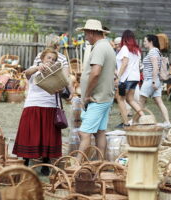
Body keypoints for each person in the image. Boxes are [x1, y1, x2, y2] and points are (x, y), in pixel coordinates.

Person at [12, 48, 63, 176]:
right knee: (30, 134)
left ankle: (46, 163)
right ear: (42, 58)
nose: (51, 61)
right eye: (49, 58)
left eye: (53, 59)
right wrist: (38, 68)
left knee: (47, 135)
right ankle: (25, 161)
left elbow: (62, 90)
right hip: (33, 104)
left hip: (50, 105)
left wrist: (59, 88)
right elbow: (26, 73)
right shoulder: (34, 69)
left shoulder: (56, 72)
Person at [75, 19, 116, 161]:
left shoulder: (99, 47)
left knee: (84, 133)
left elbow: (96, 72)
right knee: (99, 132)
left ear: (92, 33)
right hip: (105, 97)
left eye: (86, 34)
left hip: (97, 98)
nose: (85, 37)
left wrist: (86, 95)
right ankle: (100, 163)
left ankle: (76, 166)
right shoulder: (107, 46)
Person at [139, 34, 171, 128]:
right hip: (155, 80)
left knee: (141, 101)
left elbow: (155, 67)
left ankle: (136, 120)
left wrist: (153, 82)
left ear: (150, 41)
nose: (144, 43)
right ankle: (167, 122)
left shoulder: (153, 51)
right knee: (159, 101)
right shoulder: (157, 51)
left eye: (145, 41)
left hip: (150, 80)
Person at [115, 30, 144, 128]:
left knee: (120, 99)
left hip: (126, 78)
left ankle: (126, 123)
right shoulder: (137, 50)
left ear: (124, 38)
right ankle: (144, 118)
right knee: (130, 99)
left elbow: (125, 62)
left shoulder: (124, 48)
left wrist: (118, 77)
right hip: (135, 78)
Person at [33, 34, 73, 98]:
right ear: (57, 46)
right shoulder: (62, 58)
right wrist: (71, 92)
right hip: (56, 89)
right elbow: (66, 76)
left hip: (40, 88)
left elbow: (34, 72)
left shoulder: (39, 55)